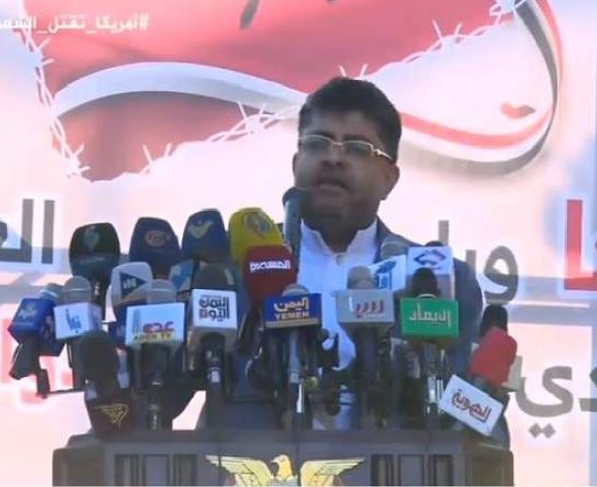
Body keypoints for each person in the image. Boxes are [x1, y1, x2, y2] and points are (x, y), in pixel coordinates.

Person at [189, 76, 485, 431]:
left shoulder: (439, 282)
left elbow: (472, 418)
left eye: (358, 149)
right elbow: (161, 397)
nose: (333, 158)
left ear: (390, 178)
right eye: (318, 143)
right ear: (296, 162)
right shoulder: (232, 270)